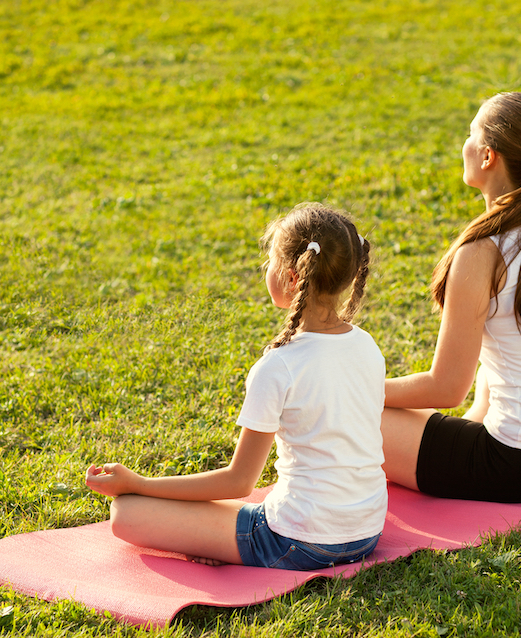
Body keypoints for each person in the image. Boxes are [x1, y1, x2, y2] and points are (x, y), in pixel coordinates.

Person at [85, 203, 387, 569]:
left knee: (126, 511)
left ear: (293, 278)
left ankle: (220, 542)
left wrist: (140, 483)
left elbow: (239, 482)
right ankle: (218, 535)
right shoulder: (367, 345)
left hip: (298, 542)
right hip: (366, 533)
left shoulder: (278, 366)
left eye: (271, 261)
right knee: (217, 511)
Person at [381, 92, 521, 503]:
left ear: (487, 156)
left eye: (471, 134)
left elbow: (446, 388)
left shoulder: (482, 253)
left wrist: (355, 389)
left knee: (353, 415)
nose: (464, 144)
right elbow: (506, 346)